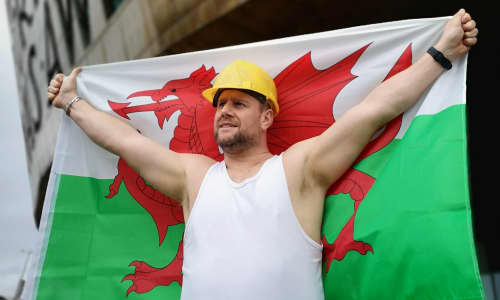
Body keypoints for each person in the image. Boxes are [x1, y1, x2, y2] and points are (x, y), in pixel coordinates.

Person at [47, 9, 477, 300]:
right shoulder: (193, 177)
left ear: (267, 116)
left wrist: (441, 54)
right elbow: (125, 141)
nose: (224, 112)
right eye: (219, 105)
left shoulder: (300, 169)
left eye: (238, 103)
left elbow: (373, 109)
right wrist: (72, 103)